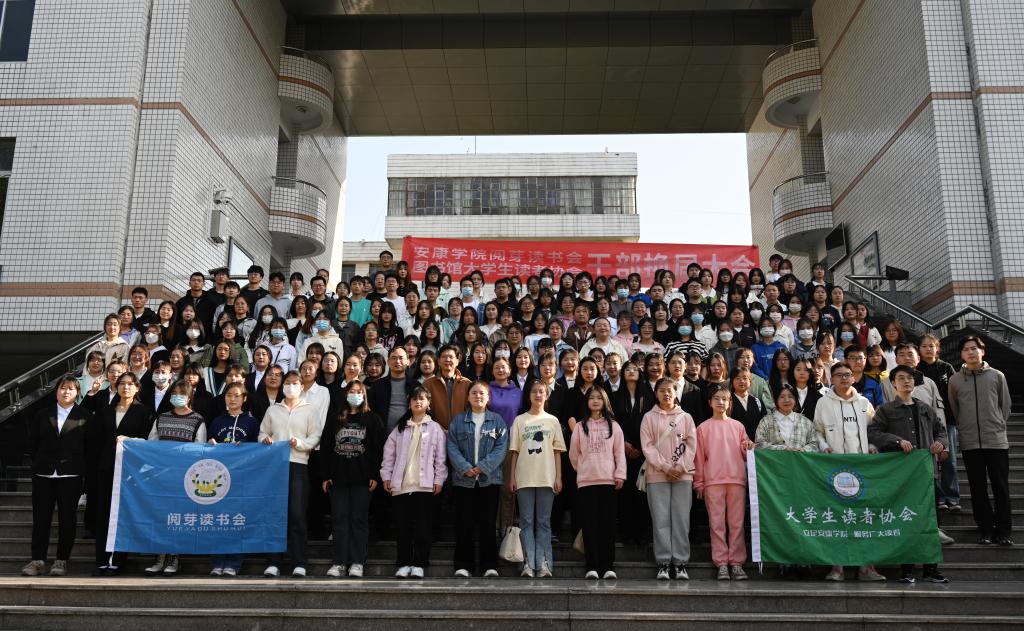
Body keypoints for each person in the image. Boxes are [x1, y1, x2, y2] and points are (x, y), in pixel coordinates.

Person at [868, 365, 950, 583]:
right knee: (905, 519)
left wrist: (940, 444)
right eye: (901, 378)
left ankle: (931, 569)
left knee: (930, 521)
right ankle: (907, 569)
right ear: (893, 383)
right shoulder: (886, 410)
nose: (907, 381)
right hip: (901, 476)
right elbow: (874, 432)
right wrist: (896, 441)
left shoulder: (925, 408)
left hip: (927, 474)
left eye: (910, 378)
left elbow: (941, 432)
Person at [814, 361, 883, 581]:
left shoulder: (864, 402)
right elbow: (817, 431)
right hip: (835, 469)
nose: (844, 378)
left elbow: (874, 430)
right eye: (839, 375)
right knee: (837, 518)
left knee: (864, 518)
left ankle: (867, 568)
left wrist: (873, 446)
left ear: (853, 378)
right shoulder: (823, 403)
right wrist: (823, 446)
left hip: (862, 469)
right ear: (831, 379)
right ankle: (837, 568)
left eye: (847, 375)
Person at [22, 377, 94, 578]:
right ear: (56, 392)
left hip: (71, 474)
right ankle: (37, 560)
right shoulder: (42, 414)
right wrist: (39, 462)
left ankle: (61, 560)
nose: (66, 392)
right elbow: (33, 443)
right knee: (41, 518)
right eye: (62, 388)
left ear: (77, 393)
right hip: (43, 473)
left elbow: (89, 447)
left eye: (71, 389)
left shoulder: (85, 416)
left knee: (67, 518)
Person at [947, 336, 1013, 546]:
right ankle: (985, 530)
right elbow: (955, 408)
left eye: (974, 348)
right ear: (961, 354)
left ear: (982, 351)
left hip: (996, 441)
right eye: (966, 349)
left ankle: (1004, 531)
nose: (971, 352)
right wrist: (965, 427)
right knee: (977, 488)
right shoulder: (955, 380)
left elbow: (1005, 406)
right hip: (970, 442)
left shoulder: (997, 376)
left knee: (1000, 487)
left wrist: (997, 424)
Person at [259, 371, 322, 578]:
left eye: (295, 383)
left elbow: (315, 436)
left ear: (302, 386)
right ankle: (273, 562)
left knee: (297, 515)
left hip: (298, 464)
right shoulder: (273, 409)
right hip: (275, 466)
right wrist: (265, 440)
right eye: (287, 383)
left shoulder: (310, 410)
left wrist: (301, 443)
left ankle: (299, 562)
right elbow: (263, 432)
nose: (291, 386)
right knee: (275, 514)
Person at [380, 387, 447, 579]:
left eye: (422, 399)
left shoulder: (435, 428)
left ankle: (419, 563)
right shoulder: (400, 428)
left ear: (429, 403)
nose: (418, 402)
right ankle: (403, 563)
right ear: (409, 403)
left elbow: (440, 458)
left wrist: (439, 479)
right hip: (401, 485)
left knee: (423, 528)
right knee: (403, 528)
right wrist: (386, 476)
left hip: (425, 485)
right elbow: (389, 455)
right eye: (415, 399)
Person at [320, 380, 384, 579]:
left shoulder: (373, 419)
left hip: (363, 479)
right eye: (351, 391)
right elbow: (326, 448)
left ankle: (357, 562)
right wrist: (325, 475)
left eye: (359, 392)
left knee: (359, 520)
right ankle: (339, 562)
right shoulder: (335, 418)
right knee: (339, 520)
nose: (355, 395)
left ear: (364, 395)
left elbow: (378, 451)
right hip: (338, 478)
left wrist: (375, 475)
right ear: (345, 394)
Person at [143, 381, 207, 576]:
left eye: (182, 393)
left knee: (176, 518)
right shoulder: (161, 417)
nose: (177, 396)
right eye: (175, 392)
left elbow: (200, 450)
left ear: (189, 396)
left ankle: (174, 557)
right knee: (160, 517)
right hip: (161, 477)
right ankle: (159, 556)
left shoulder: (197, 420)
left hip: (183, 478)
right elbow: (151, 445)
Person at [447, 382, 509, 578]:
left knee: (488, 524)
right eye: (474, 393)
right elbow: (452, 447)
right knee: (463, 523)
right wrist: (465, 468)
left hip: (489, 480)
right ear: (468, 397)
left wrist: (483, 467)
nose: (478, 396)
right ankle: (462, 565)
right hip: (463, 480)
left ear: (488, 397)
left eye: (482, 393)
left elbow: (501, 447)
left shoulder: (497, 421)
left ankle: (489, 565)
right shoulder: (458, 421)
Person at [694, 384, 754, 581]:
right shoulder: (702, 428)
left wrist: (749, 446)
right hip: (713, 482)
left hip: (736, 480)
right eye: (717, 398)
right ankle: (721, 563)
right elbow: (699, 458)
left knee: (736, 524)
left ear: (730, 403)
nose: (721, 402)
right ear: (710, 402)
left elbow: (745, 452)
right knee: (716, 524)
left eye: (724, 399)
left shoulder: (738, 426)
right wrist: (699, 483)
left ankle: (736, 563)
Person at [640, 378, 697, 581]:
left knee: (681, 519)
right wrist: (665, 467)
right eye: (662, 390)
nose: (666, 394)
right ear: (656, 393)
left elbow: (692, 445)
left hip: (683, 474)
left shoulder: (686, 417)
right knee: (660, 519)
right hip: (657, 474)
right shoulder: (648, 417)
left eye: (670, 390)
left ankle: (680, 563)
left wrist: (680, 467)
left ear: (676, 393)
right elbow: (647, 446)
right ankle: (663, 562)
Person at [508, 380, 566, 578]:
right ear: (529, 395)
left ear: (547, 395)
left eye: (542, 391)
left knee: (543, 522)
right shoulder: (519, 420)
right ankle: (527, 563)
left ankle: (543, 563)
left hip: (546, 477)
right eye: (534, 391)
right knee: (525, 521)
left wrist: (558, 477)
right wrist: (512, 477)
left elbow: (557, 452)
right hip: (524, 477)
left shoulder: (553, 421)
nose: (538, 395)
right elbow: (514, 451)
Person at [569, 387, 626, 580]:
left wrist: (620, 474)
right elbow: (574, 454)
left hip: (608, 481)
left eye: (599, 398)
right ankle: (591, 566)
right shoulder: (580, 426)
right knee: (589, 525)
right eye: (591, 398)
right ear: (586, 402)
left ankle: (608, 566)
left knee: (607, 526)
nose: (595, 401)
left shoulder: (614, 426)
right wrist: (584, 469)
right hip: (586, 483)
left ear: (605, 401)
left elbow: (619, 453)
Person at [206, 383, 259, 577]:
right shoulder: (217, 421)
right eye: (229, 395)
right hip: (218, 477)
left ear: (244, 398)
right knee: (218, 520)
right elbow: (207, 444)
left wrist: (245, 446)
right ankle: (217, 562)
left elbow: (257, 448)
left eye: (237, 395)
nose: (232, 399)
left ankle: (234, 563)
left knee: (237, 520)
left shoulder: (251, 422)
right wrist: (210, 442)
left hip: (242, 477)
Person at [918, 334, 961, 511]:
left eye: (931, 346)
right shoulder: (917, 369)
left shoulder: (946, 367)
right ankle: (939, 497)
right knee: (931, 461)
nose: (928, 349)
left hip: (947, 420)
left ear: (937, 349)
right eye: (924, 346)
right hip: (924, 422)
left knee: (949, 460)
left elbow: (956, 392)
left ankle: (952, 496)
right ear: (919, 349)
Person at [754, 384, 820, 452]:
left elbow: (815, 445)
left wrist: (802, 450)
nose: (786, 400)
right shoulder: (766, 421)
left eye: (790, 396)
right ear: (776, 400)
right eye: (782, 397)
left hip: (800, 459)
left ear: (795, 399)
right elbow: (759, 444)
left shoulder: (806, 422)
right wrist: (783, 449)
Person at [421, 345, 471, 430]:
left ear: (457, 361)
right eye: (444, 356)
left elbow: (471, 409)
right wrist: (439, 428)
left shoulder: (467, 383)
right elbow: (425, 410)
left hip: (462, 432)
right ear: (438, 361)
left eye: (451, 357)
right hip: (435, 431)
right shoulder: (428, 384)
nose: (447, 359)